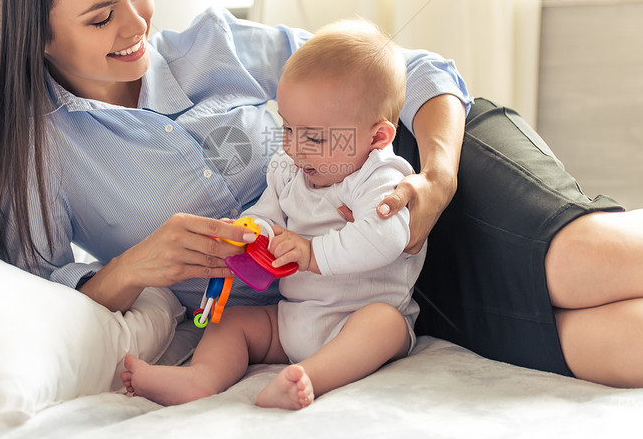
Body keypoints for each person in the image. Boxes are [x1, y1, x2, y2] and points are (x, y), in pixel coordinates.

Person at [0, 0, 643, 390]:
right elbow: (39, 275)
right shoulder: (41, 156)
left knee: (582, 263)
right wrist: (130, 269)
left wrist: (437, 180)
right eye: (99, 17)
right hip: (352, 295)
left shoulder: (212, 44)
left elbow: (413, 69)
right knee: (626, 347)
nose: (138, 25)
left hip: (410, 168)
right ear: (35, 37)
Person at [120, 20, 423, 409]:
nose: (296, 148)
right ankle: (200, 378)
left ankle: (307, 377)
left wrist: (312, 255)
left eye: (313, 137)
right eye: (288, 128)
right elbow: (268, 214)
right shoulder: (290, 168)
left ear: (377, 137)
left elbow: (386, 238)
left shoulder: (381, 176)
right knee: (232, 322)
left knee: (383, 325)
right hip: (290, 319)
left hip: (357, 317)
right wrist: (248, 232)